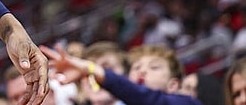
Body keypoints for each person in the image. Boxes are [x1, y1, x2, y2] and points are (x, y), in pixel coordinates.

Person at [41, 43, 202, 105]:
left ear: (173, 85)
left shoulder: (186, 103)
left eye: (154, 67)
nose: (142, 71)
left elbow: (148, 98)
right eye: (137, 67)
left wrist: (92, 68)